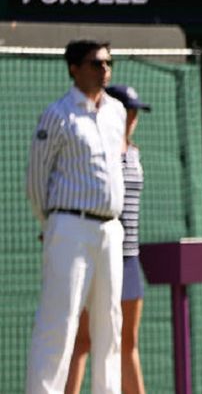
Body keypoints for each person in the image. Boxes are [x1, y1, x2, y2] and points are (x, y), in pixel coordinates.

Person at [25, 40, 127, 394]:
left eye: (108, 62)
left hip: (111, 229)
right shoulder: (58, 114)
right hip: (69, 226)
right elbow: (36, 179)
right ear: (74, 68)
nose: (105, 69)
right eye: (96, 63)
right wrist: (51, 222)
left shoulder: (116, 111)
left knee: (110, 324)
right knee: (59, 322)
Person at [65, 85, 152, 394]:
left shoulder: (135, 152)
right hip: (100, 255)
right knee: (83, 340)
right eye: (127, 110)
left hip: (130, 260)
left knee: (127, 341)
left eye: (135, 112)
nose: (132, 117)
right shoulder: (99, 151)